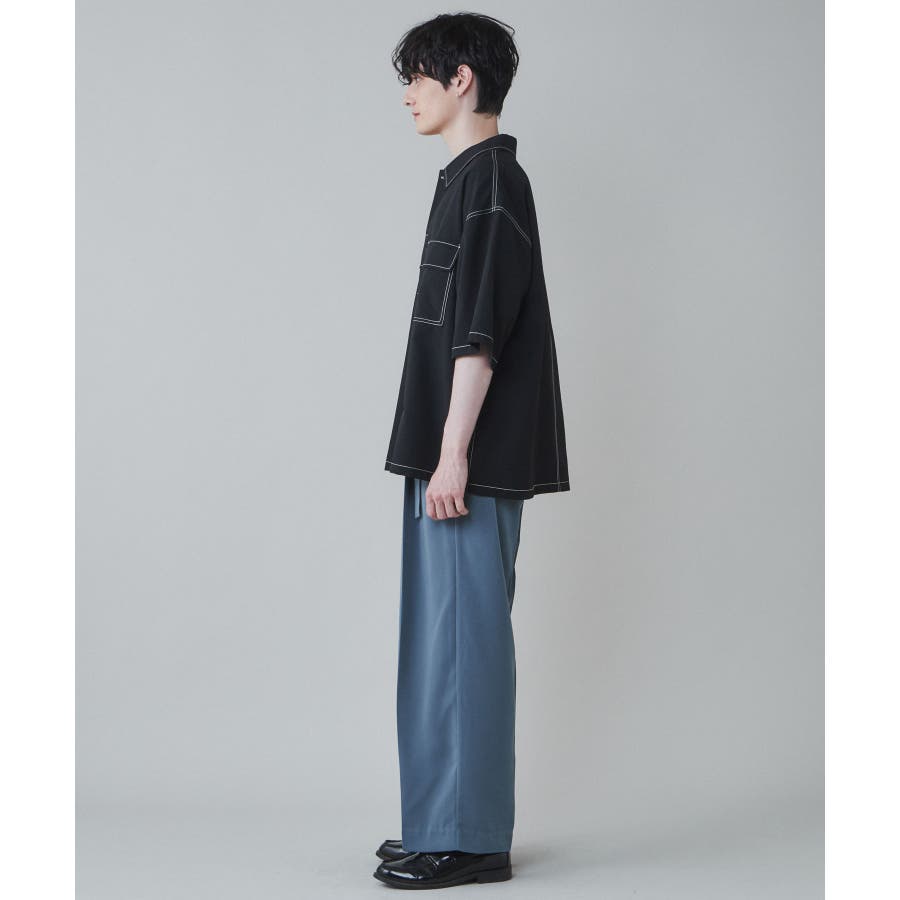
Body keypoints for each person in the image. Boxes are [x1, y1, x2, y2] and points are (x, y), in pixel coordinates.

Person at [375, 12, 571, 890]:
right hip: (447, 452)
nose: (407, 95)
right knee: (439, 643)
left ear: (461, 80)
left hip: (469, 458)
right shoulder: (466, 179)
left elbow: (479, 335)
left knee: (464, 646)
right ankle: (438, 822)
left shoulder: (494, 181)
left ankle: (471, 838)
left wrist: (453, 450)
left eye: (417, 76)